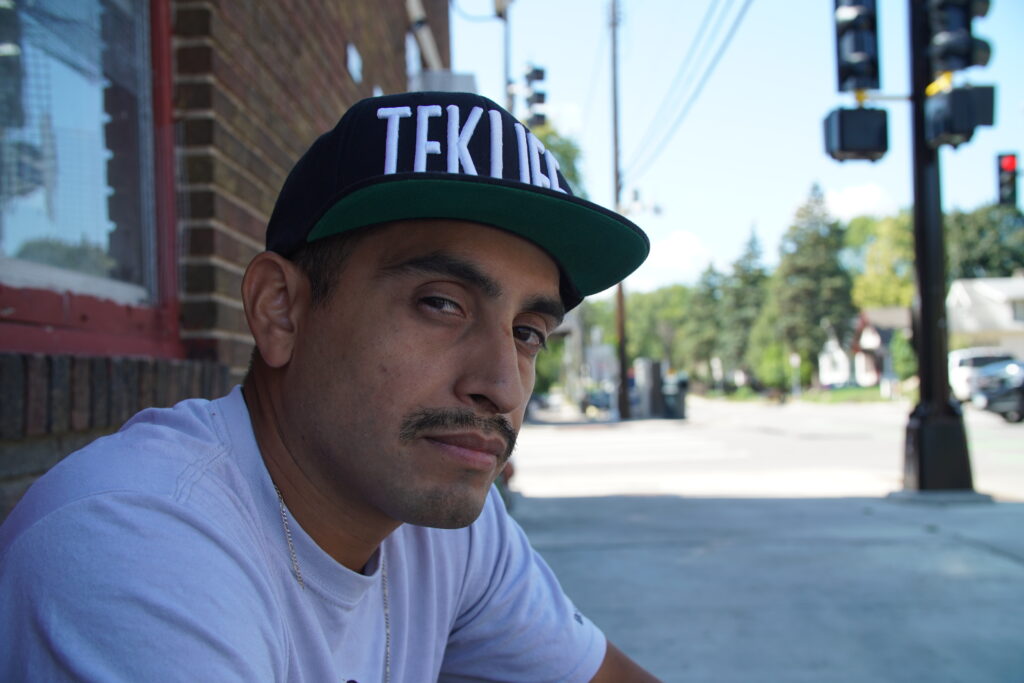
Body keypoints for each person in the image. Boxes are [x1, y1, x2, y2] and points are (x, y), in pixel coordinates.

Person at [0, 91, 656, 681]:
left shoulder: (442, 525)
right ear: (280, 309)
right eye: (441, 303)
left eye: (527, 331)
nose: (502, 387)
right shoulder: (134, 543)